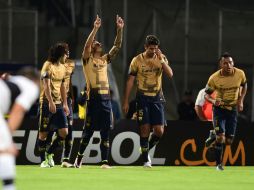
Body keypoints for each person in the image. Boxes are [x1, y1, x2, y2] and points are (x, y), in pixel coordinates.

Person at [74, 15, 124, 169]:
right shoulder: (87, 60)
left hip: (106, 99)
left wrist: (120, 30)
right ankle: (78, 160)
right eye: (96, 42)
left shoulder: (104, 60)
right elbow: (87, 46)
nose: (98, 43)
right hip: (93, 99)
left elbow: (117, 47)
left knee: (105, 131)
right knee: (88, 131)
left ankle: (104, 162)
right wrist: (95, 28)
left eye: (99, 42)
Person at [122, 35, 173, 168]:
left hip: (157, 98)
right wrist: (126, 101)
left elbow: (170, 74)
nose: (153, 51)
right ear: (145, 47)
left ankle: (146, 147)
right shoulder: (137, 60)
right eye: (151, 48)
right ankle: (146, 160)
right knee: (144, 129)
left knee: (159, 131)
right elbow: (130, 81)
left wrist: (161, 59)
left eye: (156, 48)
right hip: (142, 98)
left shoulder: (161, 58)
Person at [205, 52, 247, 171]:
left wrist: (241, 100)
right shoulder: (214, 78)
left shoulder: (240, 73)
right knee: (221, 138)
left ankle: (213, 134)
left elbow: (244, 85)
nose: (229, 65)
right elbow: (206, 96)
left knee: (228, 141)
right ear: (221, 65)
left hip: (232, 110)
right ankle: (219, 165)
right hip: (219, 110)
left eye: (230, 62)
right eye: (226, 63)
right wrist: (213, 102)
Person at [0, 67, 39, 190]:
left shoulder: (13, 80)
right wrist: (8, 138)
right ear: (36, 80)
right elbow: (18, 110)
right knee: (6, 151)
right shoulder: (31, 87)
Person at [37, 42, 70, 168]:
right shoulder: (47, 65)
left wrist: (65, 104)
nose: (67, 56)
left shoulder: (63, 67)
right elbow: (46, 85)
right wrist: (50, 102)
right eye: (66, 53)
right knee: (43, 134)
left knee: (64, 132)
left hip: (59, 104)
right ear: (61, 54)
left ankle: (49, 153)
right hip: (46, 103)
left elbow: (62, 86)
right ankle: (43, 161)